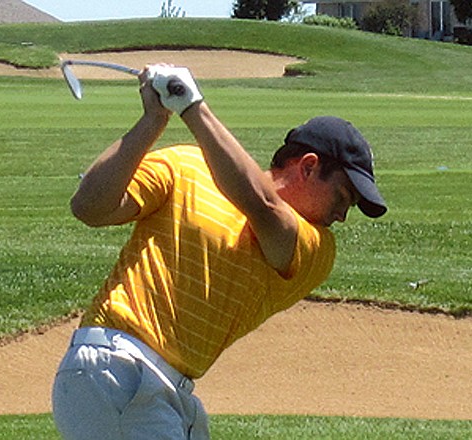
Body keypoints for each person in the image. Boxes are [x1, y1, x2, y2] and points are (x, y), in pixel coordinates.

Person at [52, 64, 387, 440]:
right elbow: (89, 207)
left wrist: (193, 106)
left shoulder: (315, 246)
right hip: (116, 365)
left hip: (168, 389)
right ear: (309, 167)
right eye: (343, 197)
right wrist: (152, 122)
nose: (342, 216)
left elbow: (262, 205)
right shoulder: (187, 164)